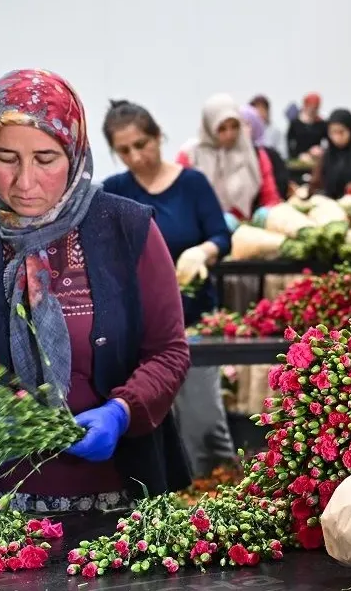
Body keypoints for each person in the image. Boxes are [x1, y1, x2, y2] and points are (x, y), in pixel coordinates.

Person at [0, 69, 191, 511]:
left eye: (46, 159)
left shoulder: (128, 228)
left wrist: (123, 411)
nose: (25, 182)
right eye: (6, 157)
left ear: (75, 151)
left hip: (119, 499)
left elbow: (169, 351)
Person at [101, 99, 237, 479]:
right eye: (124, 150)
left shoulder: (191, 183)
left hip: (192, 321)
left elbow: (221, 234)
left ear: (158, 136)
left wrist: (204, 250)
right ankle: (168, 503)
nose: (136, 156)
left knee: (203, 421)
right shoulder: (114, 191)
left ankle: (219, 493)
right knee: (148, 421)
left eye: (142, 144)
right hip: (136, 327)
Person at [176, 93, 281, 220]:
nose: (229, 134)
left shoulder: (254, 154)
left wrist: (267, 212)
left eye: (235, 126)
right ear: (209, 126)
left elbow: (270, 197)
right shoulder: (191, 156)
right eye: (221, 128)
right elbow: (183, 202)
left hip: (247, 231)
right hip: (205, 233)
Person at [241, 104, 290, 200]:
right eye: (238, 125)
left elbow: (280, 187)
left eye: (247, 124)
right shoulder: (227, 156)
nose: (242, 129)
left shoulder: (269, 155)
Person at [287, 92, 328, 160]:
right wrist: (298, 155)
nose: (312, 110)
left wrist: (321, 150)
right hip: (299, 159)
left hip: (316, 159)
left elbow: (328, 142)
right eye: (310, 106)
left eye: (315, 107)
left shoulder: (322, 124)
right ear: (305, 106)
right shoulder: (295, 123)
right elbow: (290, 143)